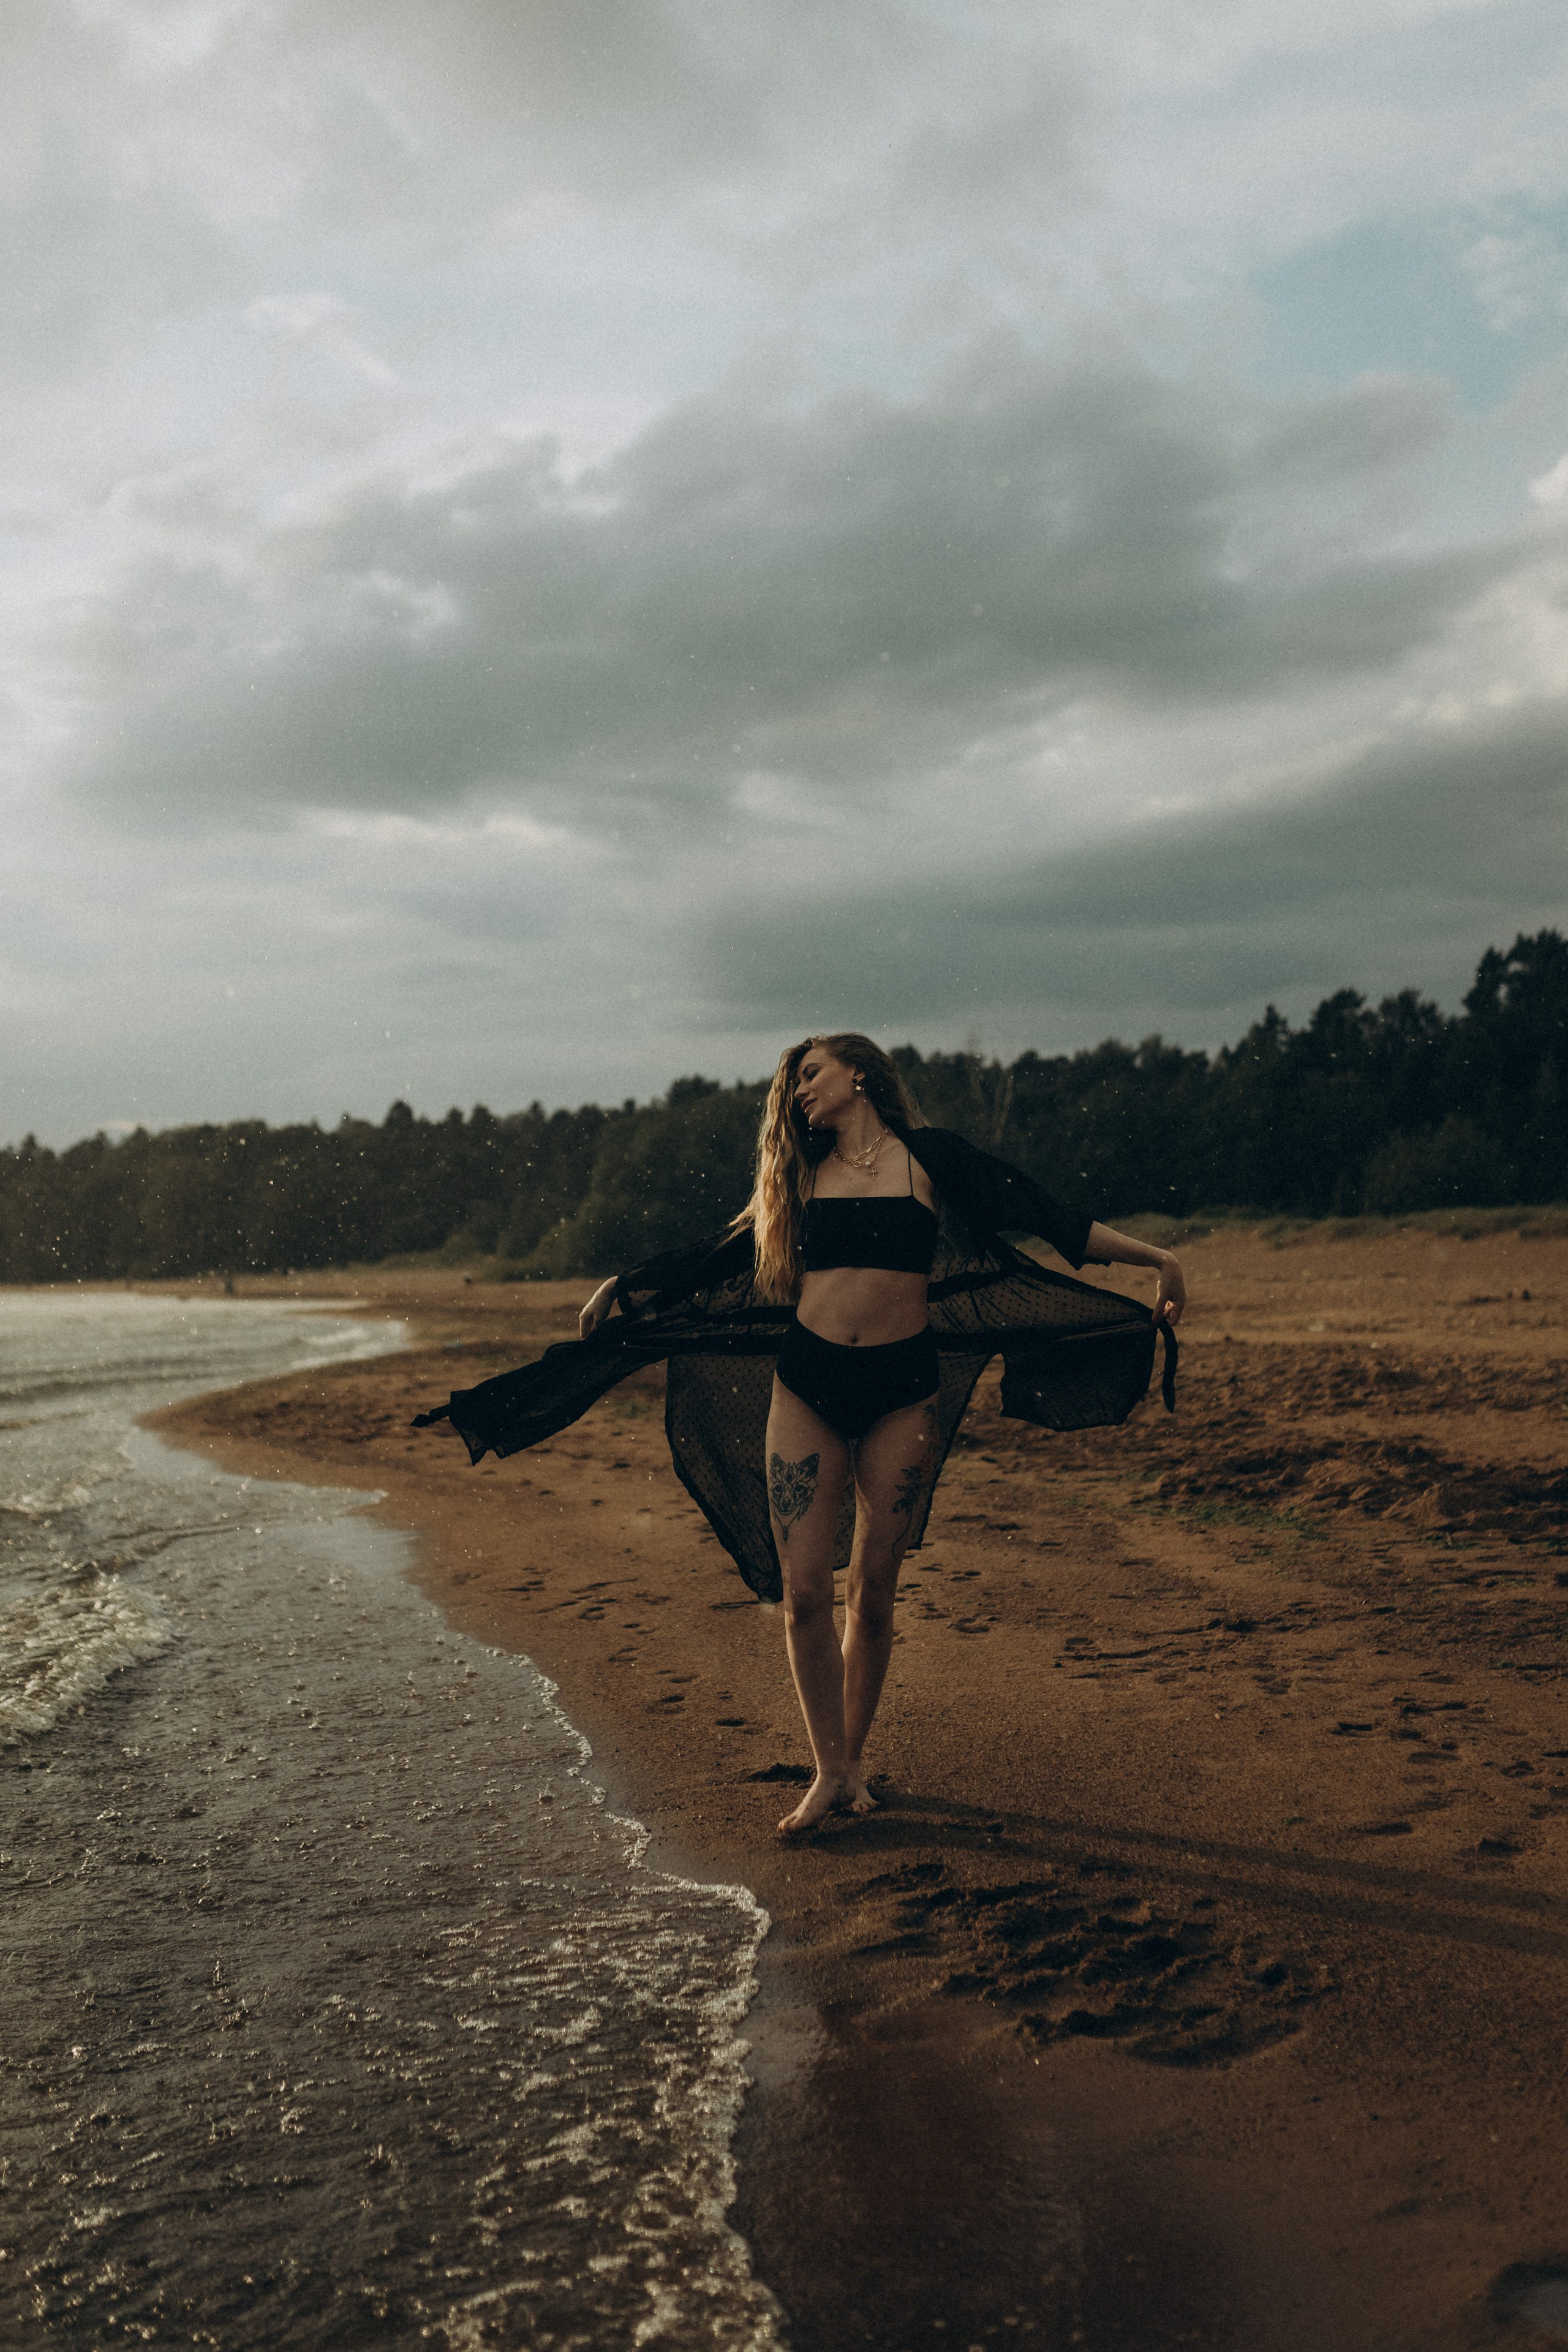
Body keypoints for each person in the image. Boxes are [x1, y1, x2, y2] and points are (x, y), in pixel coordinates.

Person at [414, 1033, 1185, 1836]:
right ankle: (831, 1771)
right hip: (809, 1387)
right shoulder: (798, 1177)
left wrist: (1157, 1258)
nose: (799, 1094)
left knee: (876, 1594)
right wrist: (624, 1285)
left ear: (859, 1074)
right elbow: (719, 1255)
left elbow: (1050, 1217)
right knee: (808, 1591)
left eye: (810, 1076)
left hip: (902, 1394)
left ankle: (850, 1766)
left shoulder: (930, 1161)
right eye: (794, 1085)